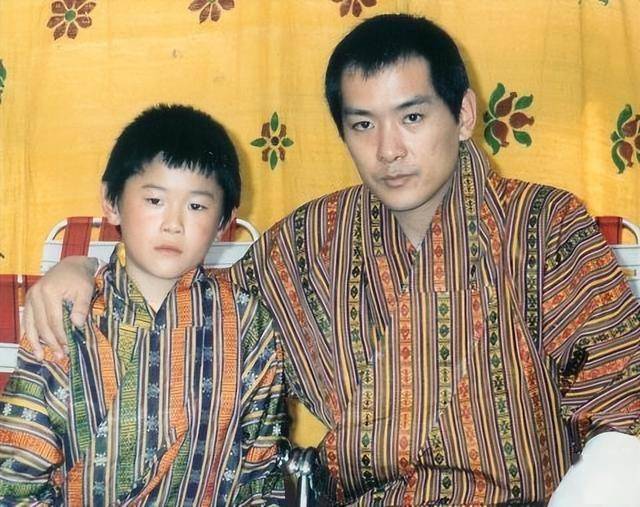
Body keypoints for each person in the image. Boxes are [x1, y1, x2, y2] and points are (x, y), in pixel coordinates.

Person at [22, 14, 640, 506]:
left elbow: (624, 411)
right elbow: (195, 304)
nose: (389, 150)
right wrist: (84, 270)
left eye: (413, 116)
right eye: (363, 125)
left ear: (465, 115)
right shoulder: (315, 238)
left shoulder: (544, 225)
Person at [0, 104, 287, 505]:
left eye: (197, 206)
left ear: (225, 221)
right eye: (154, 200)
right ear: (111, 201)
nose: (173, 223)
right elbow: (17, 474)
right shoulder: (67, 315)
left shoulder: (247, 323)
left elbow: (260, 471)